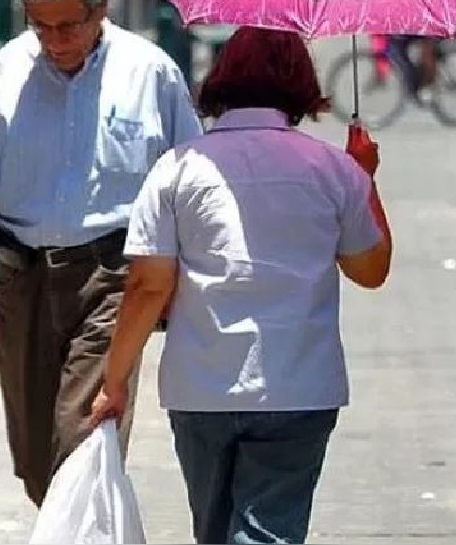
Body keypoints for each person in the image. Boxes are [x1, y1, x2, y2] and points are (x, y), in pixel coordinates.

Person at [89, 27, 393, 545]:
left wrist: (114, 379)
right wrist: (365, 179)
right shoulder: (333, 170)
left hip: (201, 385)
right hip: (299, 385)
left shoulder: (178, 168)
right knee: (267, 533)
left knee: (212, 531)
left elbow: (147, 286)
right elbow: (371, 270)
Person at [0, 0, 202, 506]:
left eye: (67, 27)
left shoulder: (150, 73)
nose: (54, 41)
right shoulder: (7, 69)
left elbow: (189, 176)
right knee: (36, 459)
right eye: (40, 26)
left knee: (82, 442)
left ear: (100, 8)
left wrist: (181, 279)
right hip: (24, 277)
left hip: (112, 278)